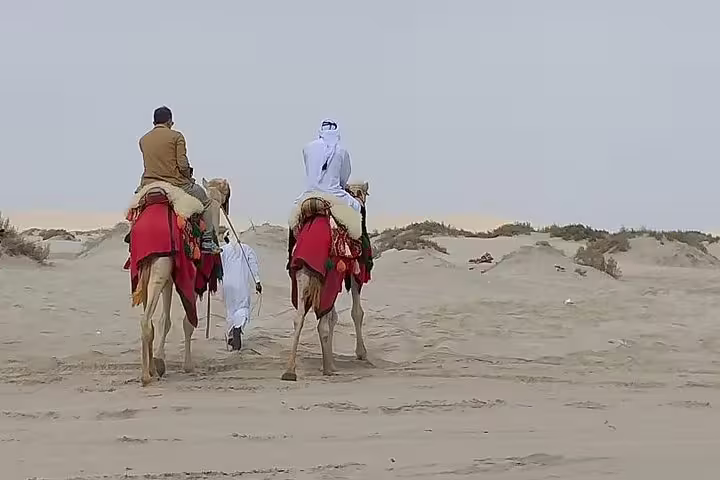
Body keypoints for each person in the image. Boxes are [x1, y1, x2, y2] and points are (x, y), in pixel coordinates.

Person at [137, 106, 221, 254]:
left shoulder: (143, 140)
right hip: (175, 184)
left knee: (136, 206)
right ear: (169, 121)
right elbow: (182, 164)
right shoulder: (176, 136)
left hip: (148, 184)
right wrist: (188, 176)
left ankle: (133, 237)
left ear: (153, 122)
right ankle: (207, 240)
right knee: (207, 203)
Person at [296, 119, 361, 212]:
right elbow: (344, 175)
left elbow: (309, 172)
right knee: (358, 207)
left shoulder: (307, 148)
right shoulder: (342, 151)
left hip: (309, 194)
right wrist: (341, 187)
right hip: (334, 195)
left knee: (294, 214)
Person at [219, 231, 262, 351]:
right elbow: (253, 265)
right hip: (241, 286)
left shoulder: (222, 251)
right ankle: (236, 331)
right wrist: (257, 282)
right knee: (242, 309)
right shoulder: (246, 249)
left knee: (230, 311)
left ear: (226, 239)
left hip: (228, 287)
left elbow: (216, 267)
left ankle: (232, 333)